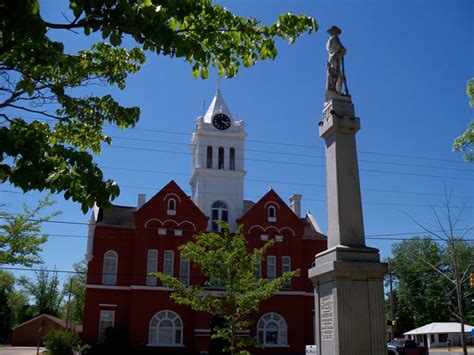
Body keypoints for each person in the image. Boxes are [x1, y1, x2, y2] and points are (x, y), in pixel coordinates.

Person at [326, 25, 349, 98]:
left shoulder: (332, 39)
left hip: (335, 59)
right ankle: (334, 91)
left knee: (338, 76)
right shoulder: (334, 39)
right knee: (336, 75)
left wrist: (342, 52)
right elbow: (341, 48)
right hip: (334, 58)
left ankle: (336, 91)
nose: (336, 33)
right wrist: (342, 51)